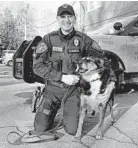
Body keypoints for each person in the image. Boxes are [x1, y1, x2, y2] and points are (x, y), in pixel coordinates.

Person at [33, 4, 116, 136]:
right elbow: (37, 66)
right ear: (57, 19)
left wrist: (110, 84)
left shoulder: (83, 40)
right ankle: (49, 109)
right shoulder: (48, 39)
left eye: (69, 16)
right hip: (52, 91)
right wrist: (61, 77)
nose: (66, 20)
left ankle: (68, 111)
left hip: (73, 91)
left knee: (72, 130)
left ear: (75, 18)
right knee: (39, 128)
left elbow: (104, 61)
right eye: (63, 16)